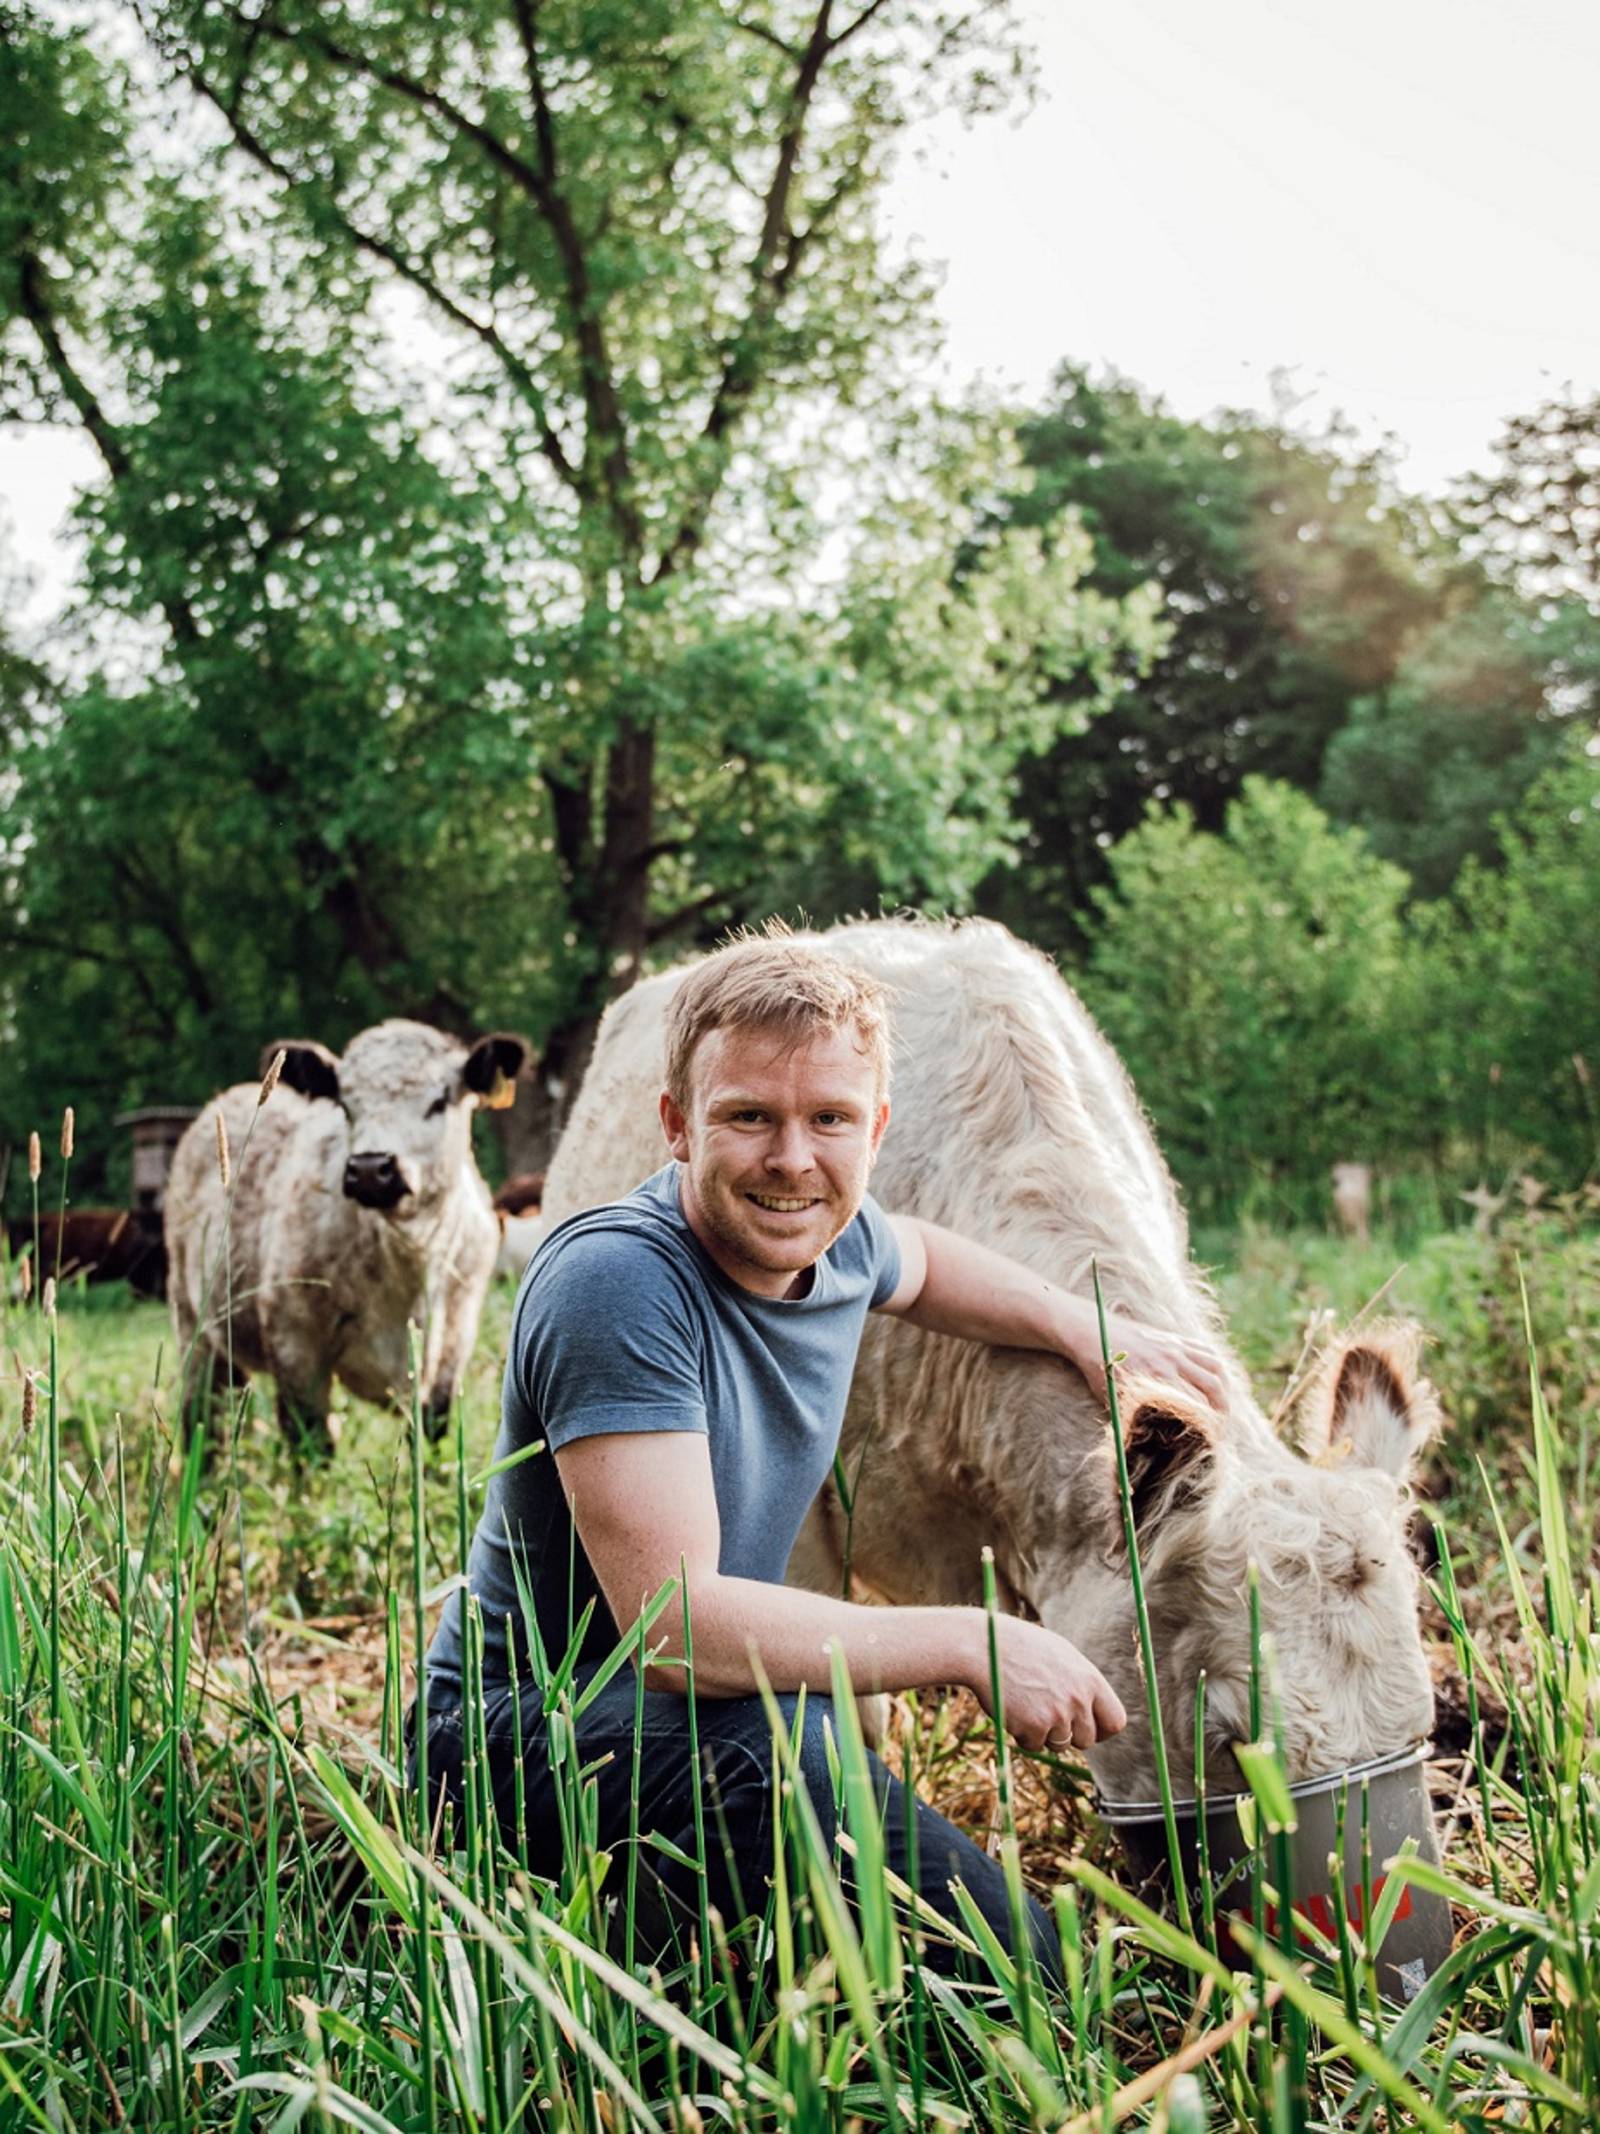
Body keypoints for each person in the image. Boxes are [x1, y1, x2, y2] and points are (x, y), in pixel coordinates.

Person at [413, 935, 1226, 1976]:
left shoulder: (833, 1235)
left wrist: (1083, 1326)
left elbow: (921, 1259)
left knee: (808, 1745)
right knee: (983, 1936)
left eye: (829, 1120)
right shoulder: (617, 1283)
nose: (793, 1159)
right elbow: (673, 1632)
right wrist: (974, 1641)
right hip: (520, 1733)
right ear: (676, 1124)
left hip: (702, 1719)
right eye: (749, 1116)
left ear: (874, 1129)